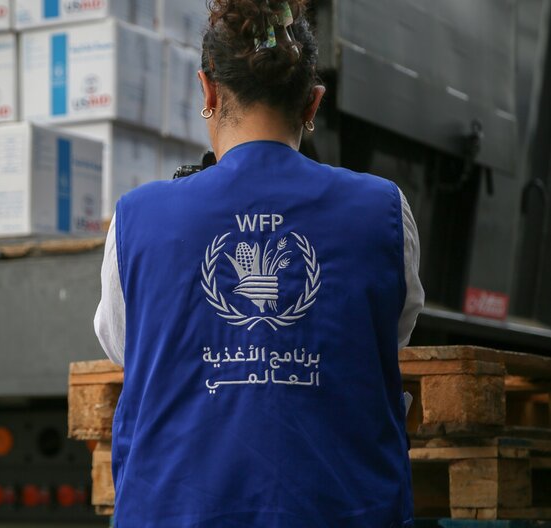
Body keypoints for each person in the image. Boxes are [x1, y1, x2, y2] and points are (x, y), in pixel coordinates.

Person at [94, 0, 424, 525]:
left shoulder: (137, 218)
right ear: (313, 105)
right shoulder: (382, 210)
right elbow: (391, 335)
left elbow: (125, 347)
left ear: (207, 90)